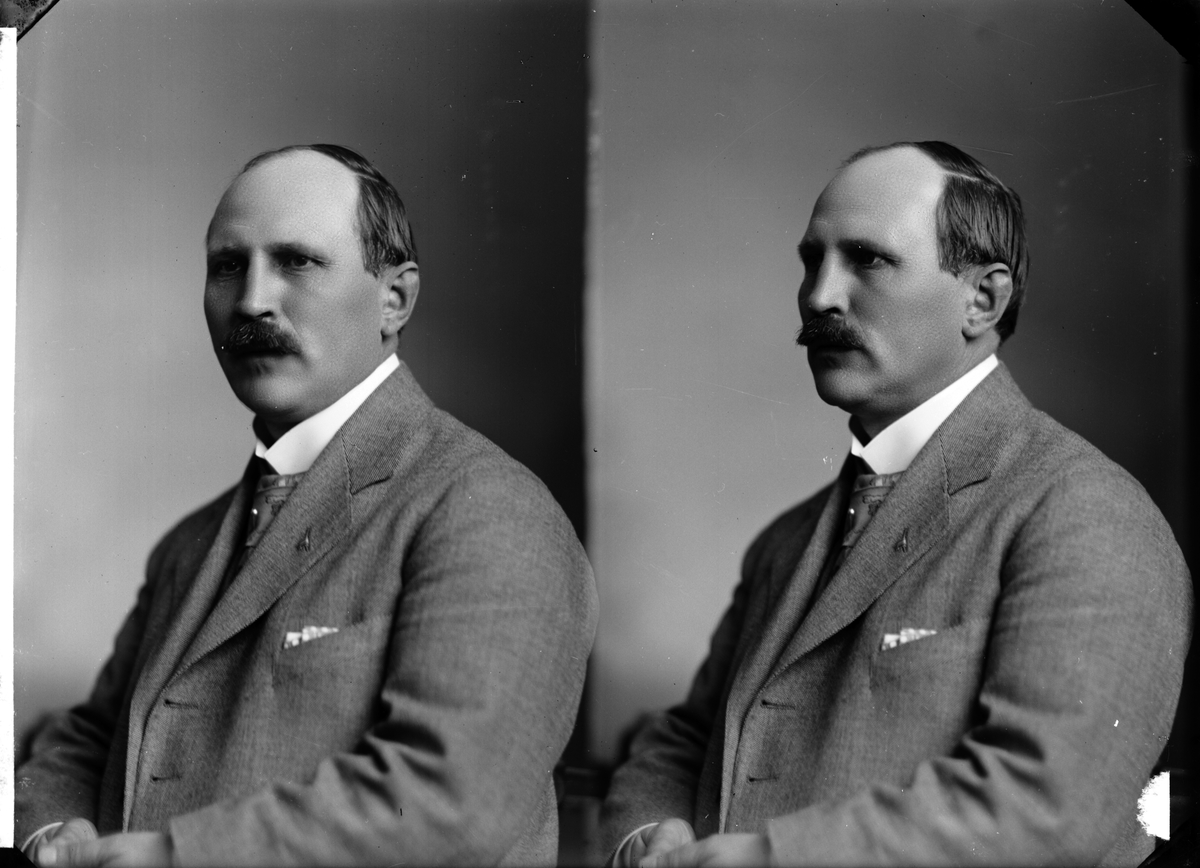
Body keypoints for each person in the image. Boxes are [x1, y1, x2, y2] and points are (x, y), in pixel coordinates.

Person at [601, 141, 1192, 866]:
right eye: (812, 261)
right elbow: (686, 737)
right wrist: (646, 835)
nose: (819, 296)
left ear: (983, 300)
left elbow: (1049, 809)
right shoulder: (786, 541)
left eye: (869, 260)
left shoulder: (1083, 514)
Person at [16, 144, 598, 867]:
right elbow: (86, 741)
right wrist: (55, 835)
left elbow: (450, 801)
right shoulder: (189, 545)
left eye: (296, 261)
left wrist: (174, 858)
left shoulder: (487, 509)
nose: (252, 300)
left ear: (395, 300)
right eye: (228, 265)